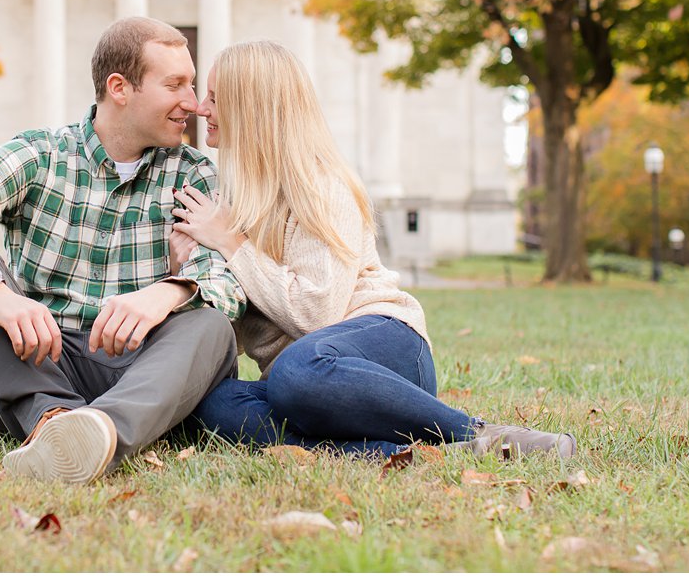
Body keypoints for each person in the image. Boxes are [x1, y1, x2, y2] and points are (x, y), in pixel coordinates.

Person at [172, 40, 576, 463]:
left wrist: (233, 245)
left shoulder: (320, 187)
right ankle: (402, 453)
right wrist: (183, 271)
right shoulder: (227, 201)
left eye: (215, 98)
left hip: (382, 352)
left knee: (297, 369)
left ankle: (480, 432)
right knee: (215, 405)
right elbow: (230, 330)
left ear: (251, 108)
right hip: (305, 390)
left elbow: (316, 313)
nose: (201, 108)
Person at [0, 17, 245, 485]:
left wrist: (167, 292)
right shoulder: (43, 156)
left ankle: (98, 431)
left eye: (192, 85)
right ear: (119, 87)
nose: (192, 103)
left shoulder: (194, 175)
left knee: (211, 322)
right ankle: (50, 420)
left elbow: (225, 282)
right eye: (175, 85)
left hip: (141, 374)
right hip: (31, 362)